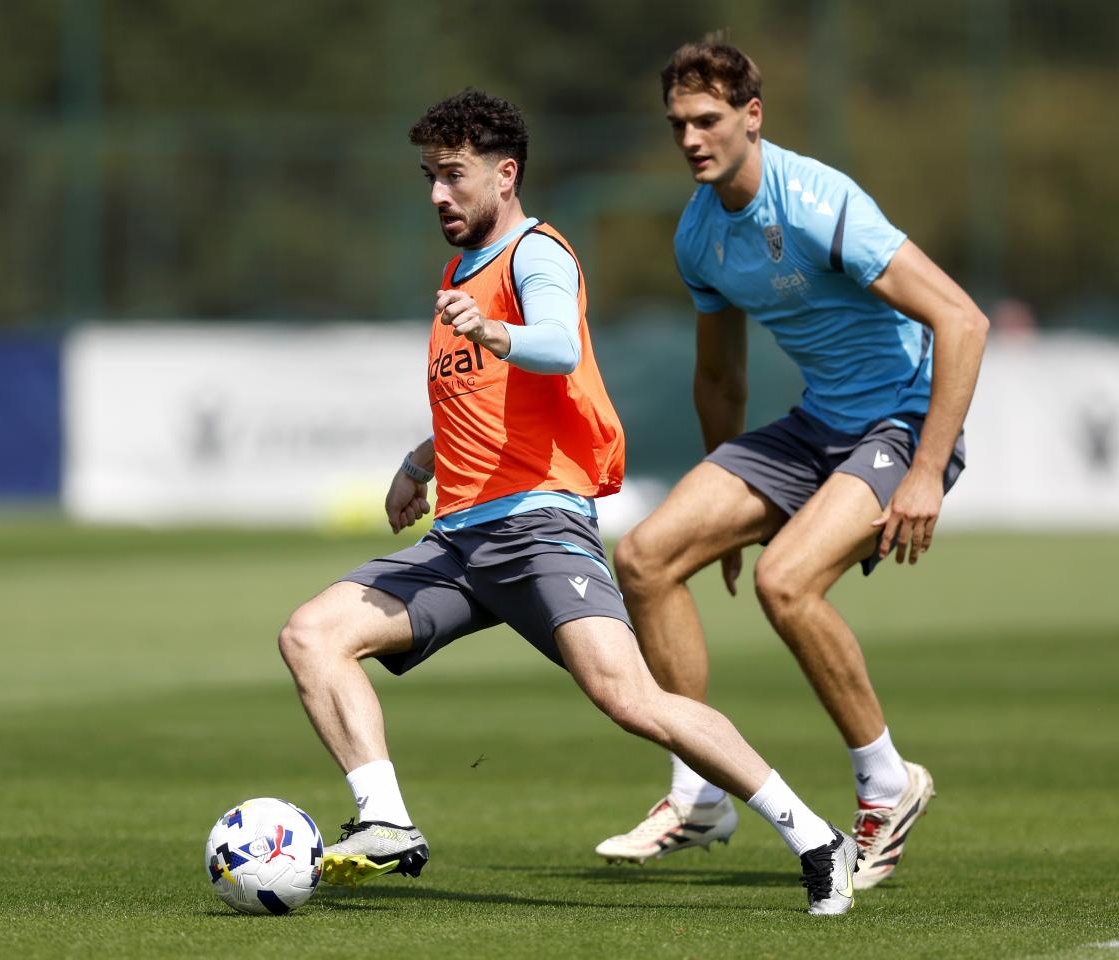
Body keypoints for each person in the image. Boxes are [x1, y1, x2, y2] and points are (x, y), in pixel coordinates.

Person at [278, 88, 864, 915]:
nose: (438, 194)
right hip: (460, 543)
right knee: (312, 634)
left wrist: (494, 332)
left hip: (536, 527)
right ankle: (386, 822)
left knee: (633, 700)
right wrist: (420, 461)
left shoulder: (535, 255)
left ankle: (815, 837)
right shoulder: (459, 271)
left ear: (504, 173)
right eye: (428, 177)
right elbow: (484, 403)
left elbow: (553, 346)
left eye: (453, 175)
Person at [593, 38, 988, 890]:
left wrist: (923, 473)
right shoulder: (699, 234)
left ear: (751, 116)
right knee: (647, 557)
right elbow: (720, 376)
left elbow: (962, 320)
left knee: (786, 583)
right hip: (816, 425)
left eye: (708, 120)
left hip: (900, 422)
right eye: (678, 126)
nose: (692, 139)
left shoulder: (815, 202)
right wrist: (722, 507)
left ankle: (888, 788)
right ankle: (698, 791)